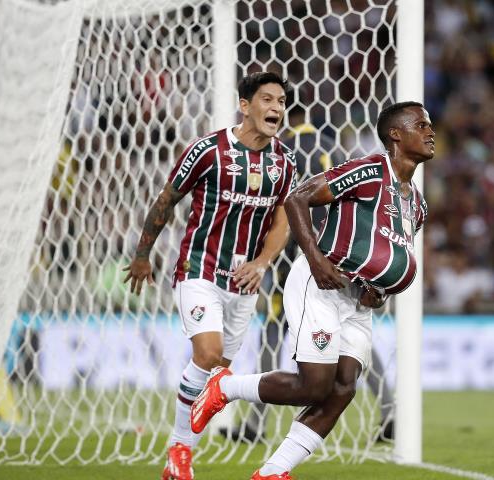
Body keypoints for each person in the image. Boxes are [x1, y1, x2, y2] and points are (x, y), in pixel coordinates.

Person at [190, 101, 434, 480]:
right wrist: (318, 260)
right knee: (313, 385)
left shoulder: (416, 205)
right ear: (396, 135)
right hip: (319, 280)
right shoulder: (368, 170)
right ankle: (226, 387)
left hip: (359, 300)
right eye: (421, 125)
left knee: (343, 388)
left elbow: (389, 258)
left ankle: (272, 472)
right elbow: (296, 198)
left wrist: (380, 293)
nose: (431, 132)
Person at [123, 71, 296, 480]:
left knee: (216, 373)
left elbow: (281, 223)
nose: (276, 109)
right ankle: (180, 451)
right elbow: (167, 199)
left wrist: (262, 263)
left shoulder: (284, 162)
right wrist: (142, 255)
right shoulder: (208, 150)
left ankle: (176, 461)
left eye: (282, 102)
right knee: (206, 354)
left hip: (244, 281)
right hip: (199, 268)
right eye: (268, 100)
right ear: (245, 105)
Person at [221, 105, 397, 443]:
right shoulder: (338, 150)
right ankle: (391, 413)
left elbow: (279, 204)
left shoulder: (282, 150)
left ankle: (256, 424)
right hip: (344, 253)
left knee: (273, 332)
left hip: (299, 258)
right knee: (353, 336)